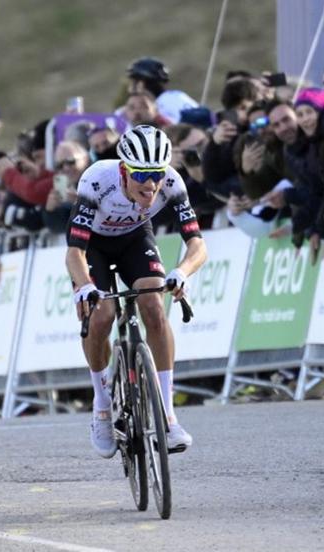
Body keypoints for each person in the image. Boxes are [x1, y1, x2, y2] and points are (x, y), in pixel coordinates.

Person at [65, 125, 207, 458]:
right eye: (142, 174)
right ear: (124, 169)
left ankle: (168, 416)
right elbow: (74, 253)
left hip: (134, 240)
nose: (151, 183)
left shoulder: (171, 183)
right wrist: (85, 286)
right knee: (101, 317)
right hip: (93, 247)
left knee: (154, 307)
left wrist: (181, 272)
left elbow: (197, 244)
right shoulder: (97, 181)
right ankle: (102, 408)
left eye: (156, 173)